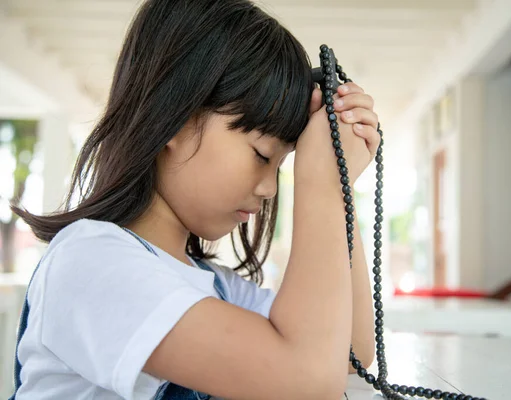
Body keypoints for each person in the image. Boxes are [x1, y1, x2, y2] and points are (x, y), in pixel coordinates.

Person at [9, 0, 380, 399]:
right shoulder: (90, 262)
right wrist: (319, 184)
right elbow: (306, 381)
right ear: (175, 117)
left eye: (282, 165)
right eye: (261, 154)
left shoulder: (215, 287)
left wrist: (338, 181)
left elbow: (348, 351)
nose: (270, 188)